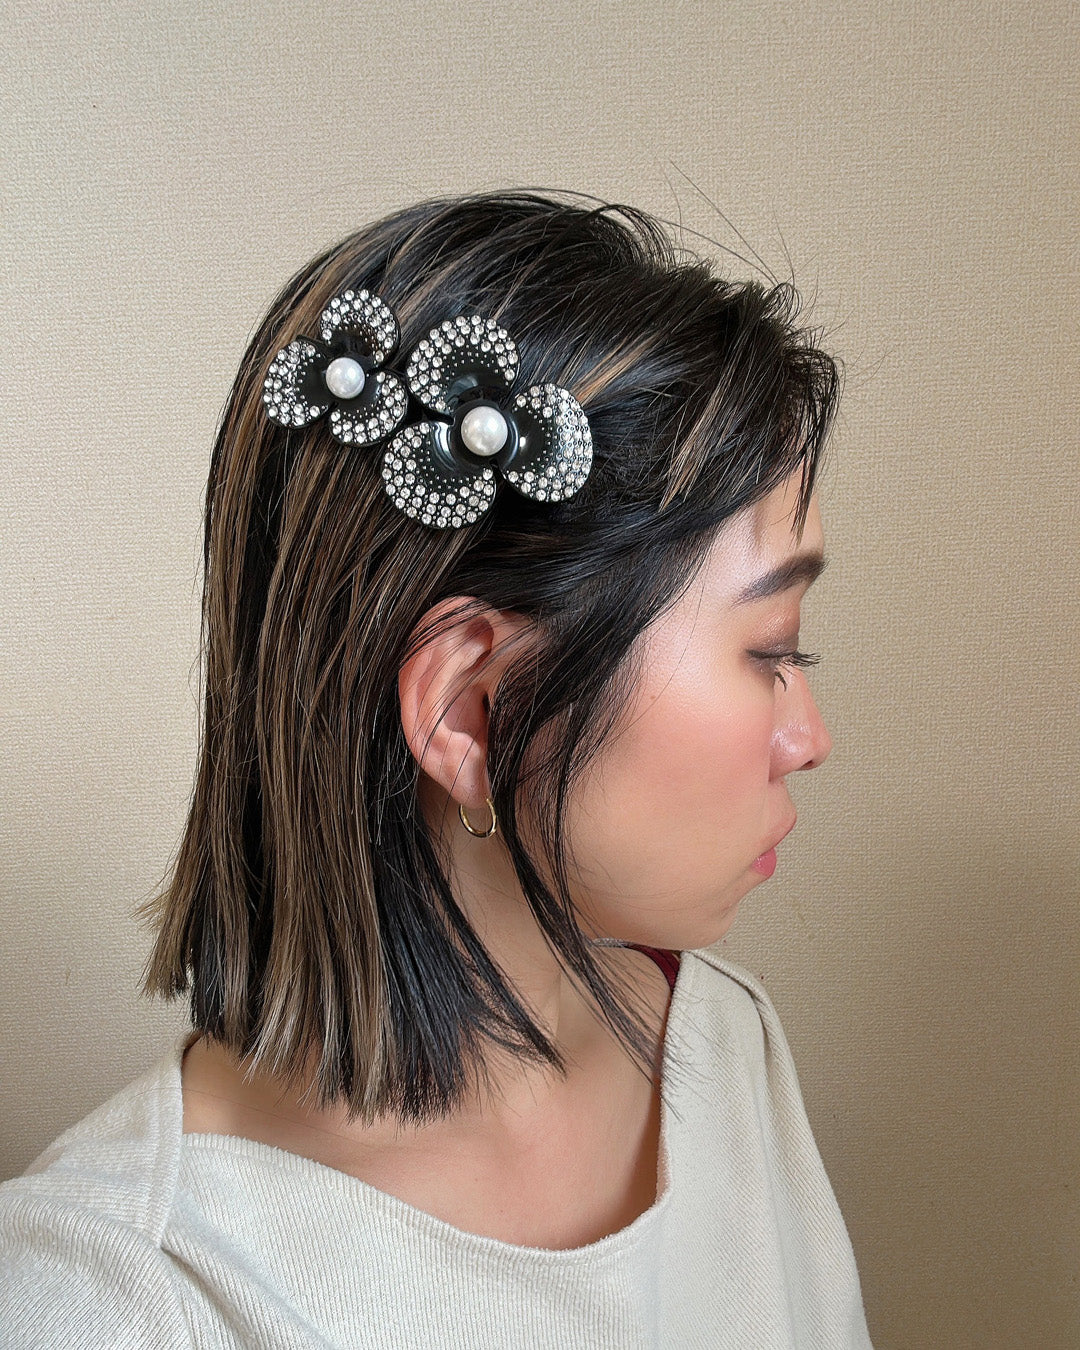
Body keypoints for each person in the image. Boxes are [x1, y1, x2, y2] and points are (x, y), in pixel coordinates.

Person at [0, 189, 874, 1347]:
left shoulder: (723, 1044)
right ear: (470, 709)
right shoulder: (111, 1299)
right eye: (771, 650)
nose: (809, 737)